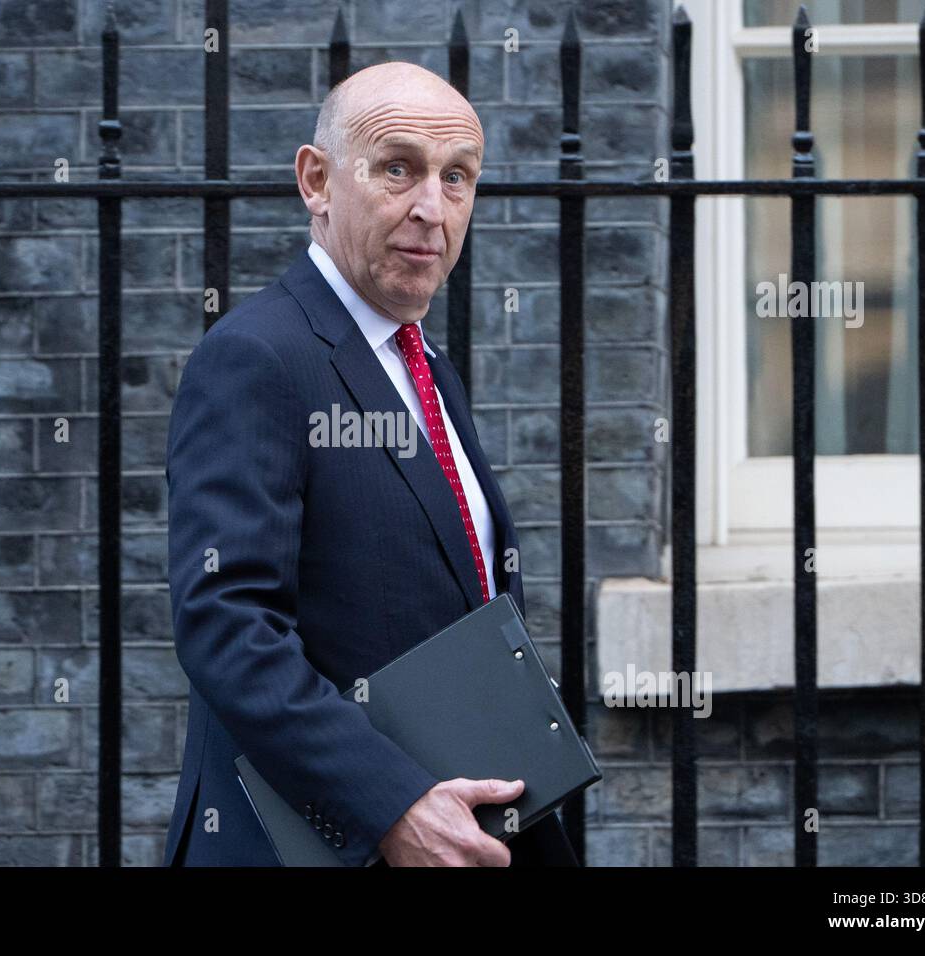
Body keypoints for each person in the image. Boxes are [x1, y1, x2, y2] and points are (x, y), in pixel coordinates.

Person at [163, 61, 578, 867]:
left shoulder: (426, 368)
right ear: (316, 180)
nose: (432, 207)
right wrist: (390, 803)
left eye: (457, 177)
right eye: (399, 168)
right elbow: (228, 626)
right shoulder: (257, 358)